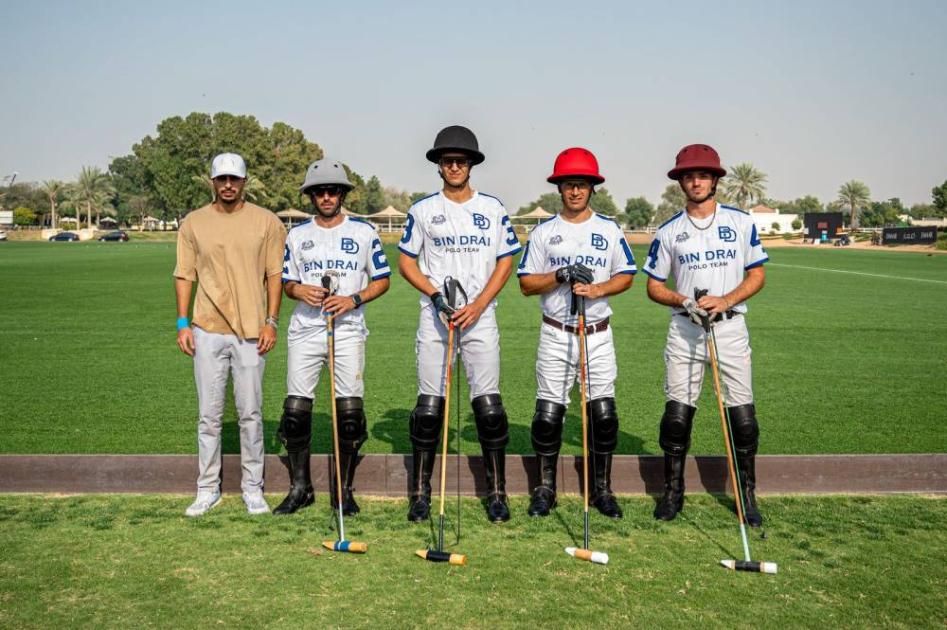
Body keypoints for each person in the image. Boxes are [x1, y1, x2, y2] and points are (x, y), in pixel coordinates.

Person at [398, 125, 521, 523]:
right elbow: (406, 262)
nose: (454, 167)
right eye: (448, 161)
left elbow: (505, 260)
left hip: (479, 318)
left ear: (471, 165)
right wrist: (435, 295)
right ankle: (420, 494)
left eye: (461, 161)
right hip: (436, 318)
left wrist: (480, 304)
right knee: (428, 409)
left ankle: (497, 493)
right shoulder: (422, 210)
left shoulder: (492, 209)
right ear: (438, 165)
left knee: (489, 408)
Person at [643, 144, 768, 526]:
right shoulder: (669, 231)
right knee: (677, 416)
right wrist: (683, 300)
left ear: (715, 180)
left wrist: (726, 299)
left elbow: (757, 275)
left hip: (729, 327)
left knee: (742, 417)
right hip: (685, 329)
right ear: (680, 182)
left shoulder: (740, 223)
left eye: (703, 175)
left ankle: (746, 494)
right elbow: (653, 286)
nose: (696, 182)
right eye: (689, 176)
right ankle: (672, 492)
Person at [517, 148, 636, 519]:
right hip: (557, 333)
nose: (575, 191)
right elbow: (525, 284)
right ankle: (545, 489)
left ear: (592, 188)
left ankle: (602, 489)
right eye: (568, 184)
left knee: (603, 414)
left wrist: (598, 289)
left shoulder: (608, 229)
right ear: (559, 188)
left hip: (597, 333)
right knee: (548, 414)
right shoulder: (544, 233)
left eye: (582, 184)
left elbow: (626, 275)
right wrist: (560, 275)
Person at [274, 158, 391, 516]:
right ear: (311, 196)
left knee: (350, 415)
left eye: (332, 191)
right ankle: (300, 488)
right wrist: (299, 291)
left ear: (342, 194)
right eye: (319, 191)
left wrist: (353, 299)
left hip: (348, 330)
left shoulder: (364, 232)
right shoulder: (297, 235)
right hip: (306, 331)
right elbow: (287, 282)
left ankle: (343, 490)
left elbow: (382, 280)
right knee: (295, 413)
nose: (326, 197)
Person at [174, 152, 287, 517]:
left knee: (250, 414)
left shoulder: (267, 222)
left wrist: (271, 321)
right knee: (208, 416)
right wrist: (182, 323)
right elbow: (184, 274)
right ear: (212, 182)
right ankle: (207, 489)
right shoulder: (193, 223)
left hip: (252, 333)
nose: (227, 185)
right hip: (206, 330)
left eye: (233, 179)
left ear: (243, 182)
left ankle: (253, 489)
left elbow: (274, 275)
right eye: (221, 179)